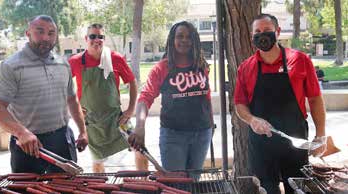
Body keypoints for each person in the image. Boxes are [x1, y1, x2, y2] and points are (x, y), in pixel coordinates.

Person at [234, 14, 326, 194]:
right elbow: (239, 104)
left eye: (267, 31)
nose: (262, 35)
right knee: (267, 190)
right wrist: (252, 120)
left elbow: (315, 99)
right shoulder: (246, 67)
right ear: (251, 36)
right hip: (261, 144)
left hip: (295, 141)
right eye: (257, 32)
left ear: (278, 32)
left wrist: (320, 135)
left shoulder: (300, 60)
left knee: (297, 189)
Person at [0, 15, 88, 174]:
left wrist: (82, 131)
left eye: (51, 33)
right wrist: (21, 132)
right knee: (27, 189)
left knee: (68, 188)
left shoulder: (63, 64)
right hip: (27, 144)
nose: (46, 37)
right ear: (28, 33)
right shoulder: (10, 66)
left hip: (63, 139)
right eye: (40, 31)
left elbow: (72, 99)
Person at [128, 21, 214, 171]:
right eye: (180, 36)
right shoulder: (162, 68)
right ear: (172, 40)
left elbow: (206, 97)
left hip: (202, 133)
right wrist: (140, 126)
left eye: (189, 37)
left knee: (194, 181)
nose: (184, 40)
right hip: (173, 136)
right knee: (175, 184)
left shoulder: (201, 66)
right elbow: (145, 98)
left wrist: (211, 124)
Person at [68, 23, 148, 173]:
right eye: (92, 36)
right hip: (91, 122)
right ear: (86, 38)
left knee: (140, 149)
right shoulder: (75, 61)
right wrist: (76, 109)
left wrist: (130, 110)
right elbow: (62, 86)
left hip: (117, 119)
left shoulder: (115, 58)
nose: (96, 39)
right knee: (97, 161)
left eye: (100, 36)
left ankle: (145, 184)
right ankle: (102, 188)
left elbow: (132, 82)